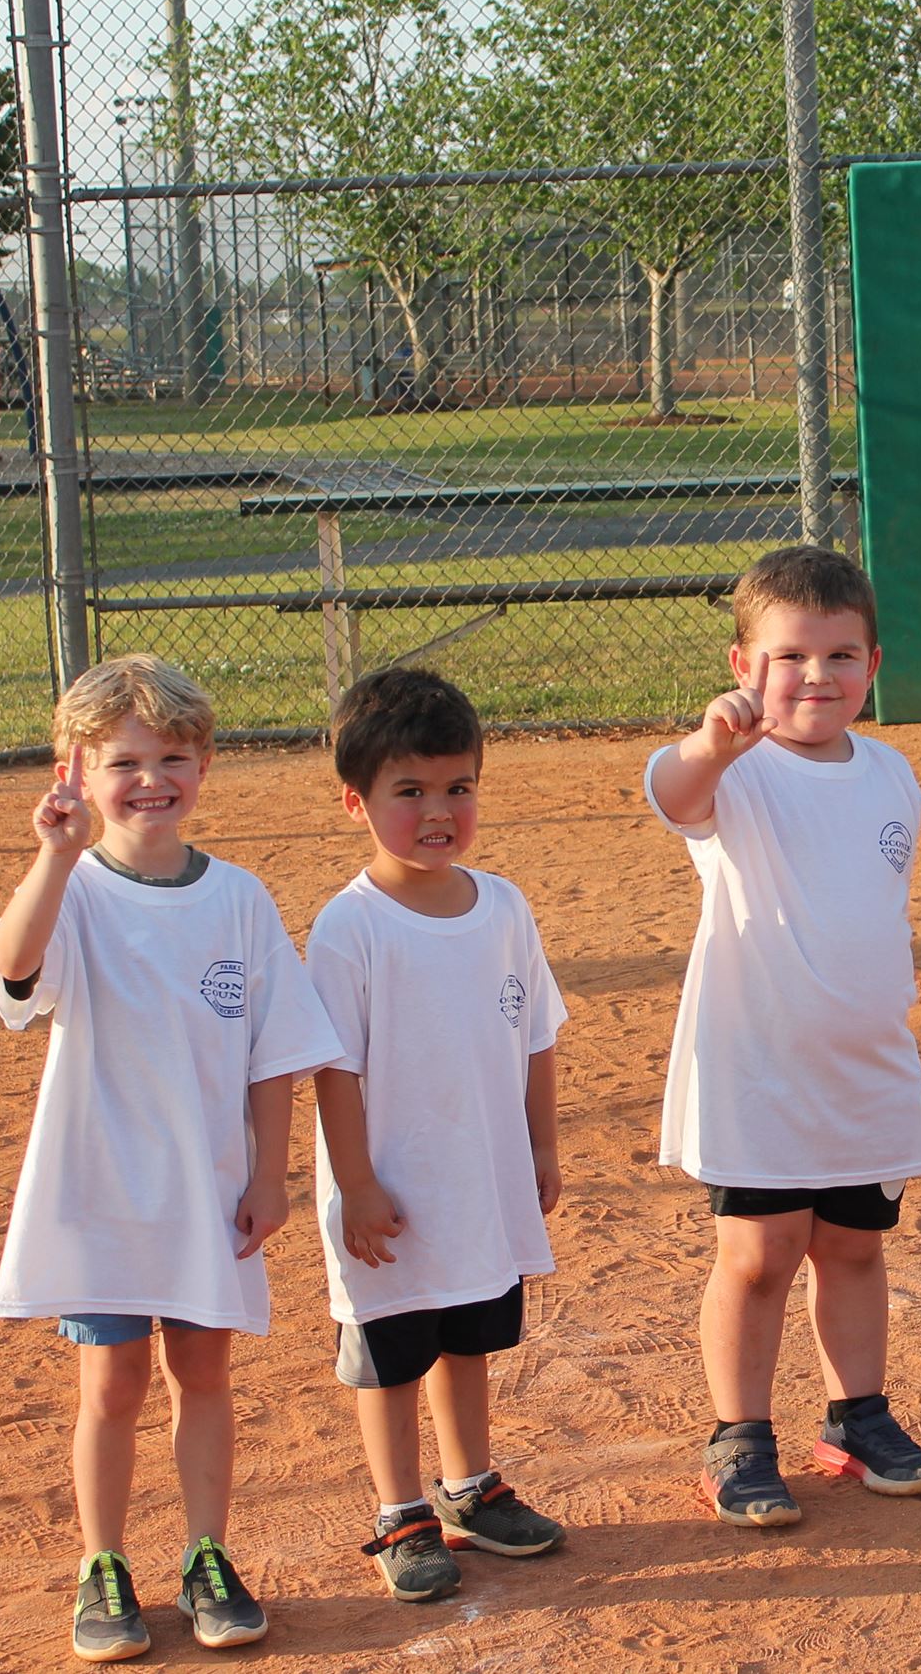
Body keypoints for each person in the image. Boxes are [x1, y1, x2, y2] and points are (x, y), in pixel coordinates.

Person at [0, 655, 341, 1663]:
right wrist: (53, 857)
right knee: (112, 1385)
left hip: (206, 1191)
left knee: (203, 1373)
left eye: (172, 756)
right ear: (79, 771)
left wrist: (270, 1173)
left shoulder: (236, 898)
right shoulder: (79, 892)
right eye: (125, 760)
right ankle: (102, 1566)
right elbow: (14, 972)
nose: (151, 779)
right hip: (102, 1191)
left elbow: (275, 1050)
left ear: (203, 763)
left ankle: (205, 1553)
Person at [644, 544, 921, 1528]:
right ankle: (738, 1435)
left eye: (839, 654)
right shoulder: (734, 772)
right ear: (742, 665)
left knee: (854, 1249)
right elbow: (670, 792)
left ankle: (857, 1416)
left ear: (872, 665)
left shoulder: (892, 774)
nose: (814, 675)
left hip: (862, 1065)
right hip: (759, 1068)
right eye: (788, 655)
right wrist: (710, 744)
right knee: (759, 1254)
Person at [305, 667, 570, 1605]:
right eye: (407, 791)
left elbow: (535, 1032)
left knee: (470, 1333)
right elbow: (332, 1071)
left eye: (458, 787)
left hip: (481, 1178)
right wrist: (356, 1186)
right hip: (391, 1189)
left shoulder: (503, 906)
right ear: (356, 800)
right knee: (389, 1352)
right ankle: (400, 1510)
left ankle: (470, 1485)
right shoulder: (349, 928)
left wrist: (540, 1146)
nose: (437, 811)